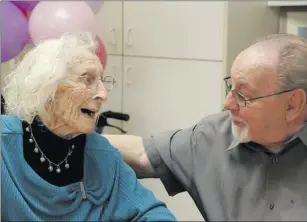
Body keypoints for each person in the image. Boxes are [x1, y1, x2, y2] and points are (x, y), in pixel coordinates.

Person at [104, 33, 307, 221]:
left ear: (292, 104)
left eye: (244, 96)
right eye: (231, 87)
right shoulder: (214, 135)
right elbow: (141, 153)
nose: (227, 104)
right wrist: (74, 135)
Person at [1, 32, 177, 221]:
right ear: (50, 86)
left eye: (102, 81)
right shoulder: (4, 144)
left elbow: (152, 212)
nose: (103, 94)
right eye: (88, 79)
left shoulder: (102, 154)